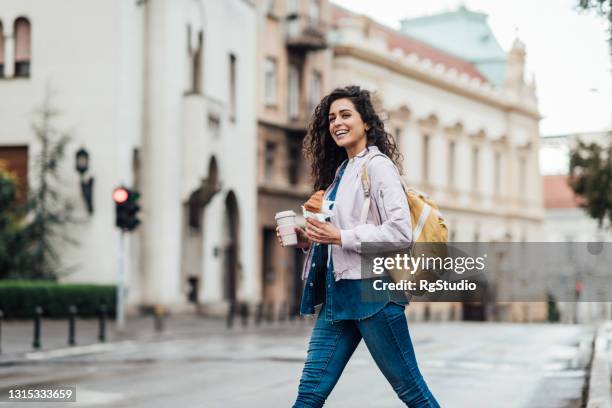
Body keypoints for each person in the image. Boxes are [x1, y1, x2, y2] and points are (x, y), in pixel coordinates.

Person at [277, 86, 440, 407]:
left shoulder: (378, 167)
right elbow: (336, 237)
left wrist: (340, 236)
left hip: (374, 296)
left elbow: (399, 232)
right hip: (338, 297)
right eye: (331, 118)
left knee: (411, 390)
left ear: (366, 122)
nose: (337, 122)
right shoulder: (341, 172)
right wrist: (309, 238)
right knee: (309, 394)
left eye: (346, 115)